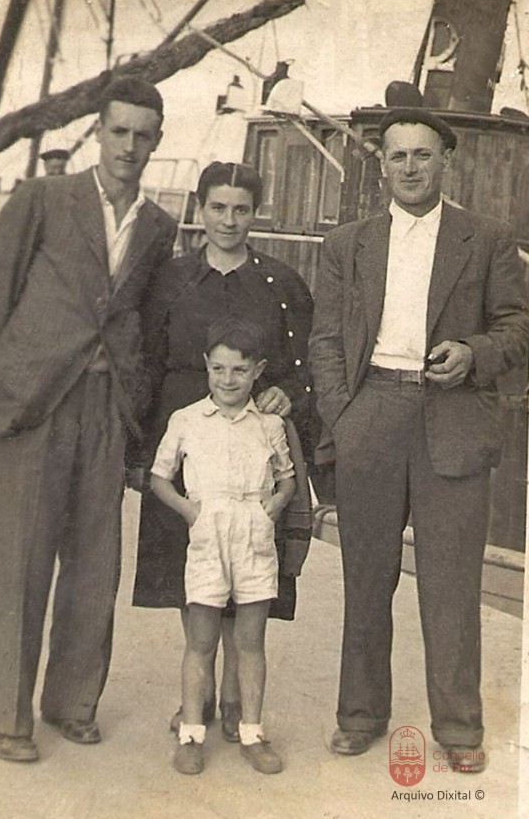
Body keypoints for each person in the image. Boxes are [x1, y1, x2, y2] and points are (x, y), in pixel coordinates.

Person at [309, 107, 529, 772]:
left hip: (453, 419)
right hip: (371, 412)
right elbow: (326, 340)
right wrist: (344, 417)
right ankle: (359, 715)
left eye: (423, 155)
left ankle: (459, 729)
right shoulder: (347, 244)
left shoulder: (487, 239)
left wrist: (473, 353)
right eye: (398, 155)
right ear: (382, 165)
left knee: (452, 584)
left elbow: (518, 329)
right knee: (366, 579)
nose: (410, 167)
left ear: (445, 162)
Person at [0, 77, 177, 762]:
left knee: (95, 561)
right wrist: (24, 370)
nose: (129, 145)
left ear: (157, 140)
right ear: (98, 131)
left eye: (142, 134)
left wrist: (130, 391)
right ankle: (5, 718)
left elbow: (145, 316)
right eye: (118, 130)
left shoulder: (158, 225)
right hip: (40, 398)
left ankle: (72, 702)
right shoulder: (43, 197)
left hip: (107, 404)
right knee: (21, 557)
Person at [132, 161, 316, 742]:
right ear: (201, 208)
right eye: (218, 207)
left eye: (241, 209)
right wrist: (141, 447)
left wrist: (289, 393)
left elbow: (307, 362)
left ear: (256, 212)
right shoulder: (171, 278)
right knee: (192, 567)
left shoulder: (280, 283)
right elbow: (146, 359)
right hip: (185, 436)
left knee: (248, 566)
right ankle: (200, 695)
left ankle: (237, 696)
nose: (229, 220)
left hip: (251, 446)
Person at [151, 317, 296, 775]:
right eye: (218, 369)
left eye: (239, 370)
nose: (227, 380)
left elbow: (287, 479)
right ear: (206, 366)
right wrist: (190, 511)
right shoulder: (186, 420)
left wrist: (271, 509)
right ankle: (192, 733)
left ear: (258, 371)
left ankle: (252, 732)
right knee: (201, 641)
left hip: (253, 532)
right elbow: (159, 478)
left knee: (250, 641)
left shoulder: (270, 425)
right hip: (208, 532)